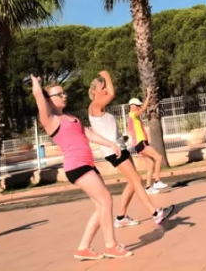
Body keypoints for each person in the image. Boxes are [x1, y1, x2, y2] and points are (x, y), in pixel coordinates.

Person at [30, 75, 132, 261]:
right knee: (106, 199)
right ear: (48, 100)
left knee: (100, 207)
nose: (64, 96)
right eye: (59, 94)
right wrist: (36, 84)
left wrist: (110, 143)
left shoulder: (70, 117)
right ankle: (110, 245)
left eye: (64, 92)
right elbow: (38, 96)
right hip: (76, 167)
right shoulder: (50, 120)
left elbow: (88, 133)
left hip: (88, 165)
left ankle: (83, 248)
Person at [88, 71, 174, 228]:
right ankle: (155, 213)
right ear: (94, 91)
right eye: (102, 88)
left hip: (120, 148)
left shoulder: (101, 108)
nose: (106, 90)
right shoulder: (95, 106)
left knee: (132, 181)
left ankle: (121, 217)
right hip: (112, 151)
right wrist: (107, 76)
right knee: (136, 180)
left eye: (105, 88)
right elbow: (113, 93)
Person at [126, 93, 167, 194]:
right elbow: (143, 108)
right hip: (141, 143)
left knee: (151, 164)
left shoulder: (132, 118)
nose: (139, 107)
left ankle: (148, 187)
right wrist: (148, 95)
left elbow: (129, 130)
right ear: (132, 106)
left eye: (139, 105)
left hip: (139, 143)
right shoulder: (132, 114)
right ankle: (157, 181)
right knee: (159, 157)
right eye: (137, 105)